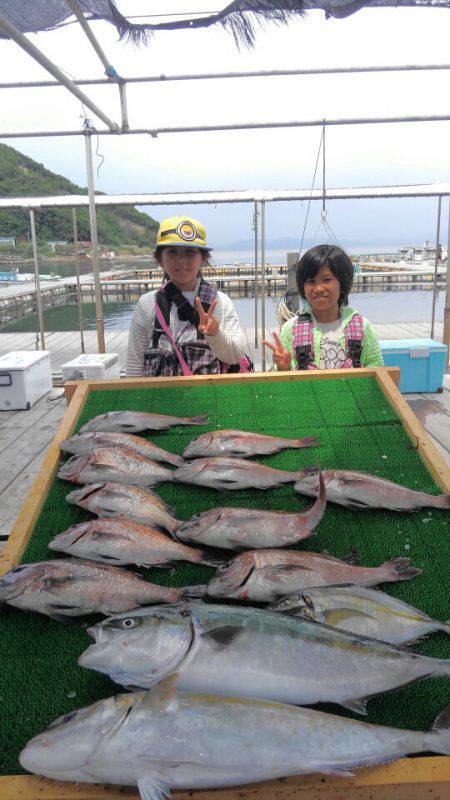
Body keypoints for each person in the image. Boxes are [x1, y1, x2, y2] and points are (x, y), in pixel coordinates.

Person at [126, 216, 247, 377]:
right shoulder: (147, 304)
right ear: (159, 259)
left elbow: (235, 356)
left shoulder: (221, 302)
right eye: (172, 252)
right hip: (158, 401)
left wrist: (215, 333)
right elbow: (134, 365)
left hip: (208, 400)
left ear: (203, 259)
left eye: (190, 252)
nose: (181, 260)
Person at [263, 244, 383, 371]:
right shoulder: (290, 329)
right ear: (302, 287)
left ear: (342, 283)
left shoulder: (362, 326)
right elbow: (281, 380)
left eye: (326, 280)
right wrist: (283, 367)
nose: (319, 289)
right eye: (311, 282)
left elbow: (377, 367)